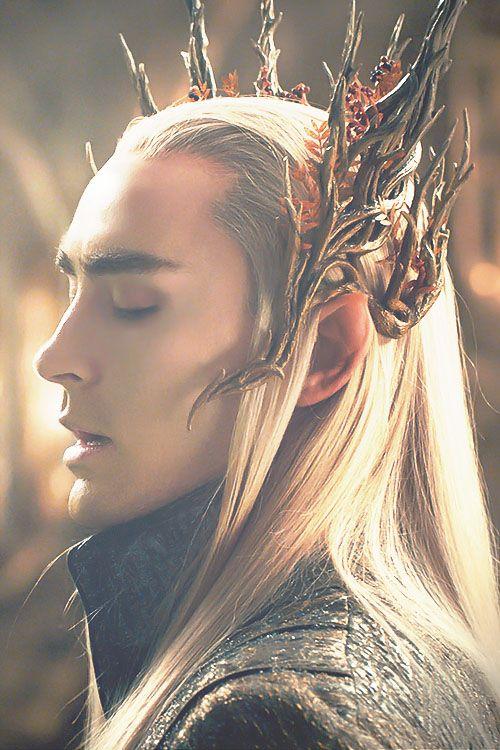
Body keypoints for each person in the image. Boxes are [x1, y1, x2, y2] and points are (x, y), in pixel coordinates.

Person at [32, 1, 500, 748]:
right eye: (74, 288)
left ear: (324, 352)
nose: (54, 357)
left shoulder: (272, 718)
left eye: (133, 303)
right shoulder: (400, 665)